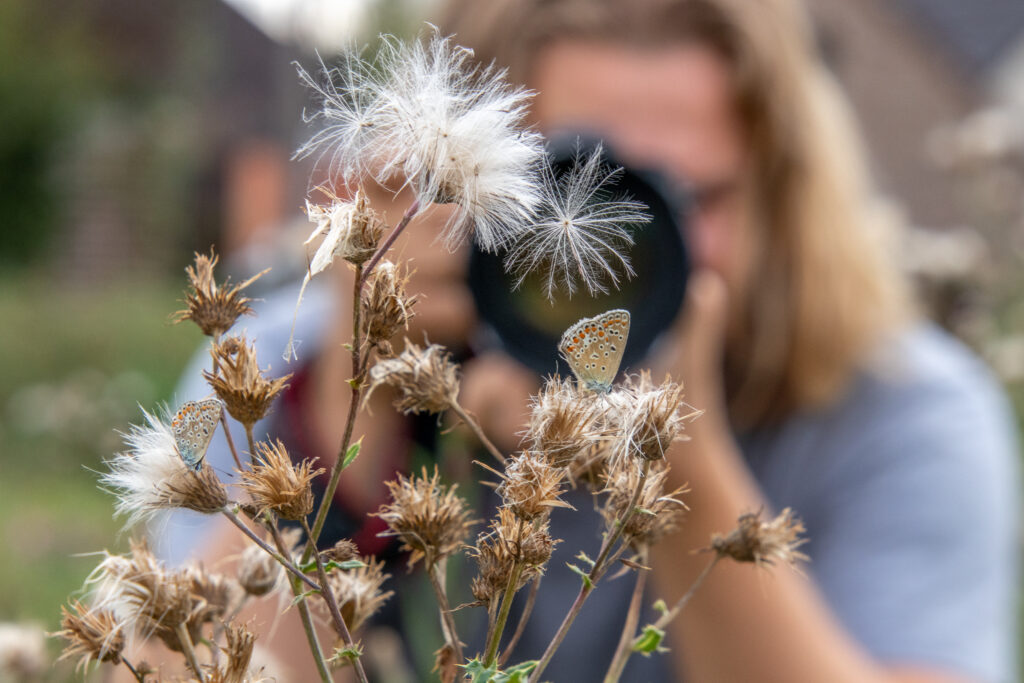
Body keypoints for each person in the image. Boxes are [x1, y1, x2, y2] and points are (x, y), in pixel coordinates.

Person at [156, 0, 1018, 681]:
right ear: (457, 183)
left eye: (684, 198)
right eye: (572, 196)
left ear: (780, 195)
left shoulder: (904, 410)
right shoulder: (271, 371)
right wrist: (348, 424)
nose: (613, 251)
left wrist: (678, 460)